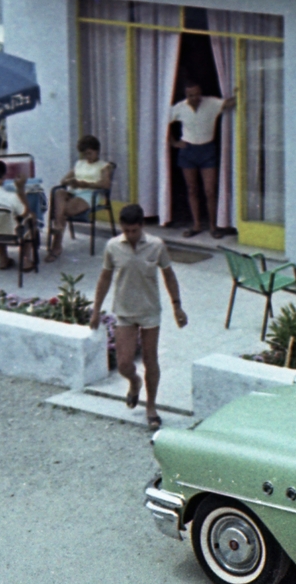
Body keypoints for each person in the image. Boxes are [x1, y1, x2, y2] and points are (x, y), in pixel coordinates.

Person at [89, 203, 187, 430]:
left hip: (150, 311)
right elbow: (104, 278)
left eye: (134, 230)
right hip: (124, 310)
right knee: (124, 363)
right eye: (127, 231)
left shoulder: (156, 246)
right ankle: (134, 383)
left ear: (142, 226)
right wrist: (96, 310)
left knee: (150, 359)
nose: (131, 235)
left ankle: (151, 406)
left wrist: (177, 306)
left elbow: (169, 275)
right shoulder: (113, 246)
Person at [168, 82, 235, 237]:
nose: (195, 98)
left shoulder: (211, 103)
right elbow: (164, 122)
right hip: (188, 150)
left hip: (207, 149)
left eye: (197, 94)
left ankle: (213, 226)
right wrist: (174, 142)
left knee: (210, 190)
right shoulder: (180, 107)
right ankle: (196, 225)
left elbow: (228, 103)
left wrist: (239, 91)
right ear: (186, 95)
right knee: (192, 189)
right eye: (191, 95)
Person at [44, 135, 114, 261]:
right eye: (84, 154)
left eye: (89, 153)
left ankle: (56, 245)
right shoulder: (79, 163)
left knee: (64, 211)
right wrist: (71, 181)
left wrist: (85, 184)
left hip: (90, 194)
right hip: (75, 192)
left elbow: (106, 184)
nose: (87, 157)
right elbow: (63, 180)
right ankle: (59, 228)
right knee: (59, 192)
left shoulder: (104, 166)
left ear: (96, 150)